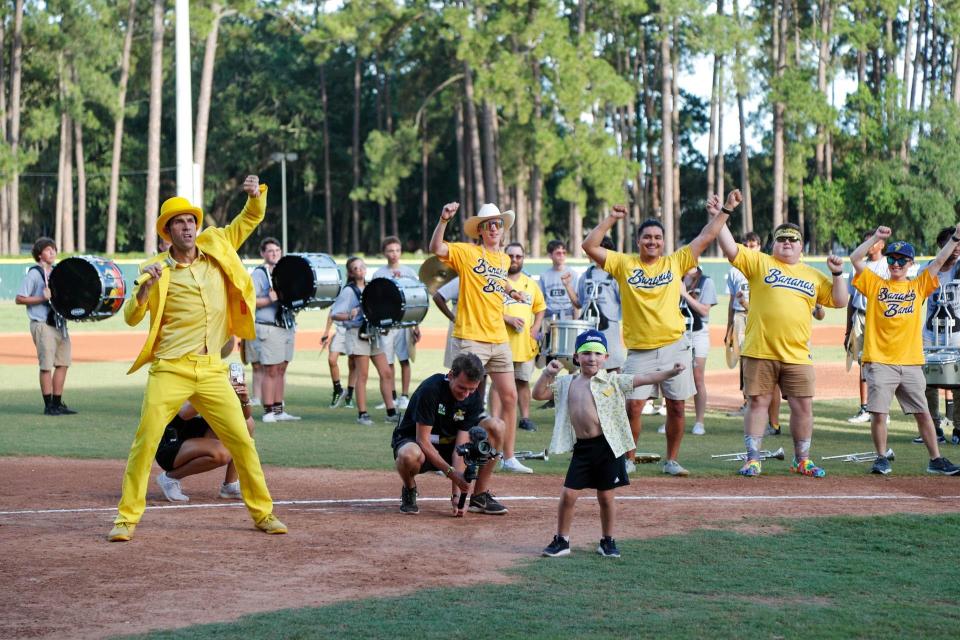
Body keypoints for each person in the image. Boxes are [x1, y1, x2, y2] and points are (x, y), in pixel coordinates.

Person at [109, 176, 286, 542]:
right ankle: (126, 520)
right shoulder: (155, 267)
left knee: (241, 440)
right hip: (170, 369)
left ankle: (263, 513)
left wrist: (256, 197)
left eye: (191, 220)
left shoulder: (217, 245)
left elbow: (248, 220)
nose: (187, 226)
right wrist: (145, 289)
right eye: (179, 222)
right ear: (168, 231)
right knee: (144, 442)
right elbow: (130, 316)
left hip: (211, 370)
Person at [581, 191, 742, 476]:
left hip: (674, 347)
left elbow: (707, 234)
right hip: (640, 351)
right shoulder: (624, 264)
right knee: (633, 406)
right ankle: (628, 459)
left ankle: (671, 460)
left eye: (657, 237)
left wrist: (726, 209)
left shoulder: (676, 261)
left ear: (663, 242)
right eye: (647, 237)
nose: (652, 241)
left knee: (677, 407)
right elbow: (589, 245)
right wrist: (611, 219)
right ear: (638, 241)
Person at [712, 202, 849, 478]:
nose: (787, 243)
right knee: (758, 403)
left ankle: (803, 460)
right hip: (760, 350)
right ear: (773, 244)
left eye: (792, 239)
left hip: (797, 353)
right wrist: (722, 214)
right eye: (781, 239)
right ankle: (753, 459)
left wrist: (836, 274)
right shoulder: (759, 261)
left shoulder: (812, 274)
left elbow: (839, 300)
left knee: (802, 406)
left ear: (801, 246)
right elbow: (728, 246)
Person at [533, 330, 685, 558]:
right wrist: (547, 373)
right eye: (586, 353)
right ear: (576, 357)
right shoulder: (566, 382)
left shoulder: (613, 381)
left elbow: (644, 379)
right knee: (568, 495)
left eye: (597, 353)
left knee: (605, 497)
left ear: (606, 357)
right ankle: (562, 540)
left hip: (607, 447)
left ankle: (607, 541)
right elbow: (539, 394)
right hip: (582, 449)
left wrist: (670, 372)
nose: (591, 358)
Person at [430, 201, 531, 474]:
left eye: (498, 224)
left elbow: (498, 280)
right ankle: (444, 454)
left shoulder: (504, 259)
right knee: (459, 398)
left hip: (499, 338)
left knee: (509, 396)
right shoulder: (467, 253)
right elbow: (436, 249)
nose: (495, 228)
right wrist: (443, 220)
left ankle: (508, 456)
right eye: (489, 225)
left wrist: (512, 292)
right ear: (481, 231)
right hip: (472, 337)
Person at [849, 226, 960, 475]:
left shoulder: (918, 285)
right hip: (880, 360)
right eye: (892, 258)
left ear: (910, 263)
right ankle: (881, 457)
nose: (896, 263)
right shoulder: (875, 283)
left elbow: (940, 260)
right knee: (878, 413)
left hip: (910, 362)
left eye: (901, 260)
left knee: (923, 413)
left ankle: (936, 460)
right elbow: (855, 259)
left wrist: (955, 238)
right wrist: (876, 239)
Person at [392, 353, 508, 516]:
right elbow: (423, 440)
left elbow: (461, 446)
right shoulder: (431, 389)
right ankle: (409, 489)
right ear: (451, 375)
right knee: (408, 455)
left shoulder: (473, 397)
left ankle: (479, 496)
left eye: (472, 389)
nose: (466, 394)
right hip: (418, 444)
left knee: (497, 426)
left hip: (450, 446)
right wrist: (453, 475)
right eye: (462, 387)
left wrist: (457, 495)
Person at [154, 376, 256, 502]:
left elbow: (246, 416)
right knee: (222, 453)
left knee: (247, 424)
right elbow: (184, 414)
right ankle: (169, 478)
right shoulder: (184, 377)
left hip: (197, 436)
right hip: (170, 443)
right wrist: (217, 389)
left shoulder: (213, 378)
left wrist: (243, 397)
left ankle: (230, 485)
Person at [329, 256, 398, 425]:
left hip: (372, 334)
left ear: (366, 269)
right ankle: (362, 414)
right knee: (363, 374)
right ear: (350, 273)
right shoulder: (348, 291)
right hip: (356, 333)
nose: (359, 270)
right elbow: (335, 313)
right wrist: (349, 315)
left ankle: (391, 411)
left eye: (361, 267)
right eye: (355, 268)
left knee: (386, 372)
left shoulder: (370, 287)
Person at [15, 237, 76, 416]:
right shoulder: (34, 274)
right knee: (46, 366)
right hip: (42, 324)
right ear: (40, 254)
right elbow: (20, 298)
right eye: (49, 250)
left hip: (59, 324)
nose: (53, 253)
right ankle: (48, 405)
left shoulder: (57, 273)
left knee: (63, 364)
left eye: (54, 250)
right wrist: (42, 298)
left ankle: (57, 403)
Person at [490, 242, 546, 433]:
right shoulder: (495, 281)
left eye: (518, 256)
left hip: (524, 343)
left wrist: (536, 327)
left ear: (523, 259)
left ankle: (525, 418)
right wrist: (508, 318)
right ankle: (495, 419)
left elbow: (540, 308)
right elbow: (487, 309)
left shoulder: (530, 284)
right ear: (504, 257)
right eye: (511, 256)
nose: (514, 259)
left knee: (522, 382)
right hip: (500, 341)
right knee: (498, 383)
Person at [248, 237, 299, 422]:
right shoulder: (259, 274)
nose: (274, 254)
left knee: (282, 368)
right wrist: (270, 299)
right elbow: (249, 301)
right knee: (270, 369)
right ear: (262, 253)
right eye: (270, 251)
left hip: (286, 325)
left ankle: (279, 409)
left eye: (277, 250)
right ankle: (268, 411)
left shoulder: (284, 272)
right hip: (268, 327)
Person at [919, 226, 960, 444]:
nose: (955, 249)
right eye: (951, 243)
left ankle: (959, 429)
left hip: (956, 335)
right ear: (940, 246)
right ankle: (933, 427)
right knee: (927, 383)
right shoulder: (927, 271)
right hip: (930, 334)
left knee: (958, 383)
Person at [371, 236, 422, 410]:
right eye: (390, 250)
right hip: (386, 324)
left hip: (405, 322)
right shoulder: (379, 274)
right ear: (384, 252)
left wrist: (416, 325)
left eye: (397, 250)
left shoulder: (409, 272)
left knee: (404, 359)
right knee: (388, 361)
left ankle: (404, 396)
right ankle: (390, 396)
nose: (394, 254)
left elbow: (417, 298)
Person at [846, 229, 890, 424]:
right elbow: (851, 300)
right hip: (861, 316)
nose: (869, 245)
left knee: (881, 364)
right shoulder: (857, 268)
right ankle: (865, 408)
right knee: (863, 363)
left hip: (880, 318)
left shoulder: (887, 265)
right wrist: (848, 328)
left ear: (882, 245)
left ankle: (882, 410)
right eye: (866, 242)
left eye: (873, 242)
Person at [572, 236, 626, 372]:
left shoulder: (616, 275)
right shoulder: (585, 275)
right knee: (588, 369)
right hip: (588, 327)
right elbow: (579, 304)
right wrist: (567, 286)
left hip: (609, 328)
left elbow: (625, 302)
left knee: (613, 368)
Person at [725, 231, 760, 418]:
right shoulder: (734, 271)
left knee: (758, 358)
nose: (748, 248)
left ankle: (759, 402)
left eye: (752, 245)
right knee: (743, 360)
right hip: (740, 316)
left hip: (759, 318)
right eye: (746, 245)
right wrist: (729, 328)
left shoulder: (764, 267)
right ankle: (746, 401)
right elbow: (731, 302)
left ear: (759, 247)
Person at [678, 265, 717, 436]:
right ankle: (673, 419)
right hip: (678, 332)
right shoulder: (677, 278)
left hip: (698, 332)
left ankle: (699, 422)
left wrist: (684, 294)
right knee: (675, 376)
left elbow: (704, 310)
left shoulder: (705, 280)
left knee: (698, 377)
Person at [321, 311, 356, 409]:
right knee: (332, 360)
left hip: (354, 329)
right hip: (340, 330)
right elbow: (332, 312)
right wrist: (326, 333)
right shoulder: (339, 295)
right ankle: (338, 390)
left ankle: (349, 395)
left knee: (353, 363)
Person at [433, 276, 460, 368]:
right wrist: (453, 318)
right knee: (458, 369)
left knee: (482, 372)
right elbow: (438, 297)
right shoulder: (461, 279)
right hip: (460, 327)